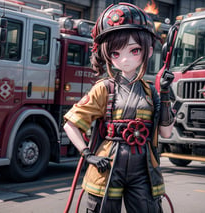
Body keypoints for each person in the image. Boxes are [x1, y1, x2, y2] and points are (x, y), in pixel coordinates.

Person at [63, 3, 175, 212]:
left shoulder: (153, 91)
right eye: (116, 53)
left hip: (144, 169)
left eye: (134, 50)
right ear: (107, 54)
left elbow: (166, 133)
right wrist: (88, 155)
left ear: (148, 51)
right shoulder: (103, 89)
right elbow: (70, 124)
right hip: (107, 167)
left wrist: (166, 93)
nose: (124, 59)